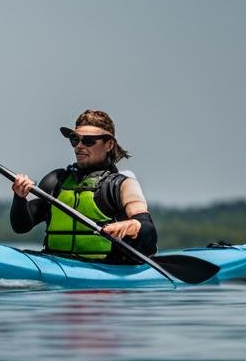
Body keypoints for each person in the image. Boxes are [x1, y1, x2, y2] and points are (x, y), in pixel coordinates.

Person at [10, 109, 157, 263]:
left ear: (109, 144)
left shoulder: (122, 184)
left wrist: (135, 225)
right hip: (55, 262)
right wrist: (19, 198)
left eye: (88, 141)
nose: (79, 146)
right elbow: (21, 227)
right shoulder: (55, 181)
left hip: (106, 269)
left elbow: (148, 228)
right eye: (75, 139)